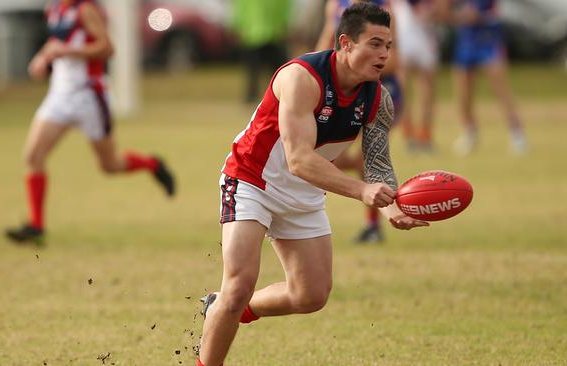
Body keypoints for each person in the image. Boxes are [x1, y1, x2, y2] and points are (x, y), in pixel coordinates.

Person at [197, 3, 429, 366]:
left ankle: (225, 308)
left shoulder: (378, 99)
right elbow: (299, 159)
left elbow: (379, 165)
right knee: (239, 283)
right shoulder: (301, 78)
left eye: (389, 45)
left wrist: (393, 206)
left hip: (303, 194)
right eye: (374, 44)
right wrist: (362, 192)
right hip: (251, 180)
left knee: (311, 295)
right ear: (346, 43)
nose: (384, 54)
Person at [5, 0, 175, 244]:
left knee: (110, 165)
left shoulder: (85, 9)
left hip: (89, 96)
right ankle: (36, 226)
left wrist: (66, 52)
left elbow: (106, 47)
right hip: (59, 96)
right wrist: (42, 57)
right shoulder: (53, 9)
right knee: (33, 156)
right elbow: (57, 42)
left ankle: (153, 164)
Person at [316, 0, 403, 243]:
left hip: (379, 91)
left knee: (369, 159)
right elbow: (325, 42)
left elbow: (394, 61)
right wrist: (315, 72)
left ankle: (373, 225)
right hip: (341, 89)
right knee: (332, 160)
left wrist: (361, 62)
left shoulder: (384, 9)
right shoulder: (336, 4)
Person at [436, 0, 527, 156]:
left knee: (501, 91)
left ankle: (517, 135)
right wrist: (453, 15)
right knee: (463, 93)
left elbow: (481, 13)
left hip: (488, 39)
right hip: (467, 40)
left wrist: (465, 15)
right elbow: (443, 10)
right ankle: (470, 132)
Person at [392, 0, 440, 152]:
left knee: (410, 86)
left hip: (411, 29)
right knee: (416, 86)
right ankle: (418, 135)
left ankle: (414, 135)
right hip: (412, 29)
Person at [232, 0, 291, 103]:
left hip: (273, 34)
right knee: (253, 71)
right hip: (253, 34)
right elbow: (239, 8)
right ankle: (252, 98)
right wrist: (238, 26)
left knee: (280, 71)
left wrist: (284, 25)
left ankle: (282, 96)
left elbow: (286, 8)